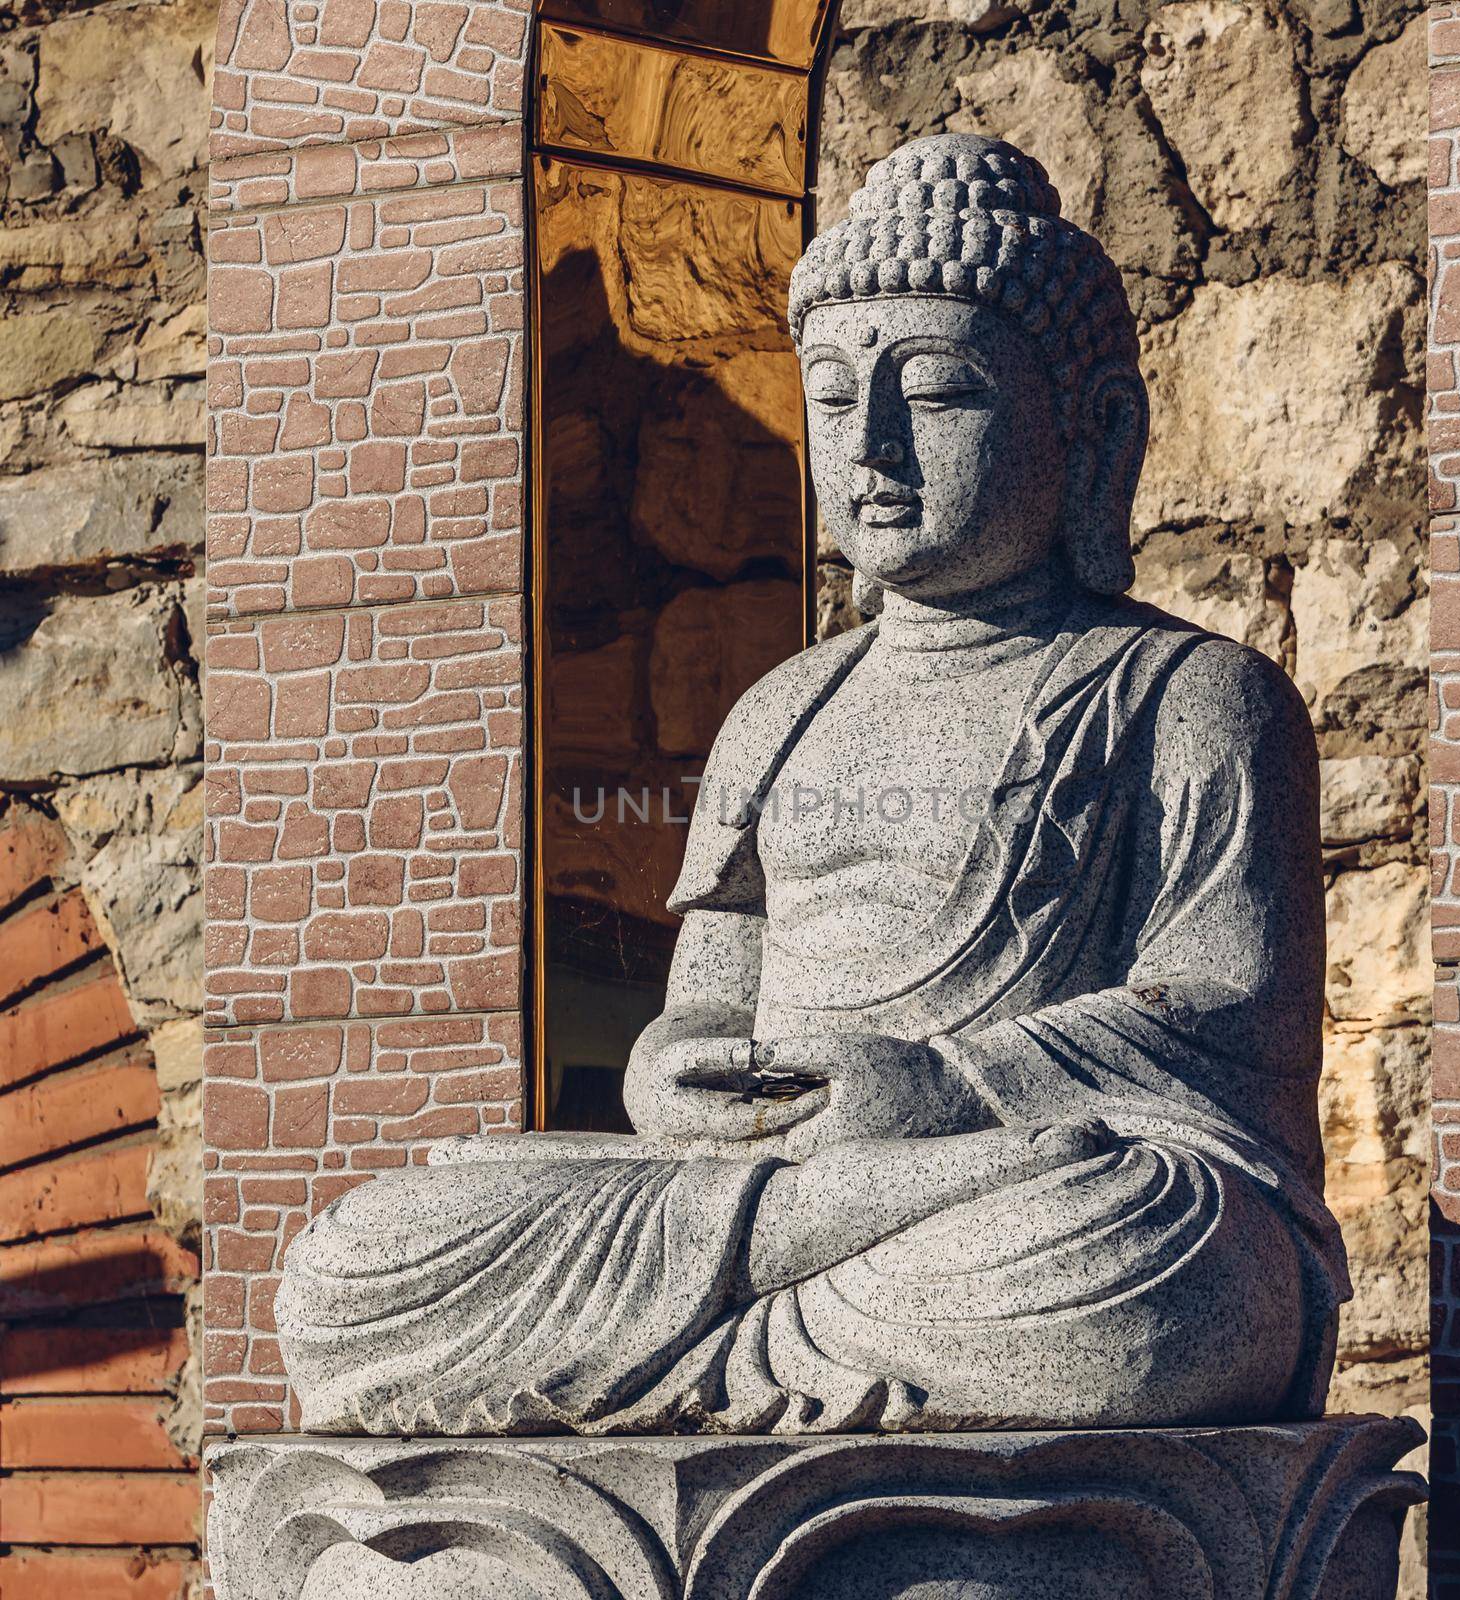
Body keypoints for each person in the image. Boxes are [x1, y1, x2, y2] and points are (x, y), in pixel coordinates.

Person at [277, 133, 1349, 1438]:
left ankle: (689, 1369)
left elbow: (1229, 1021)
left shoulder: (1185, 696)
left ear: (1093, 428)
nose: (874, 447)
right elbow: (708, 1004)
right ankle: (776, 1346)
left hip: (1008, 1188)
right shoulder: (782, 710)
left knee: (1163, 1262)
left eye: (939, 394)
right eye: (834, 399)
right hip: (760, 1208)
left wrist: (944, 1089)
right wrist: (670, 1072)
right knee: (353, 1267)